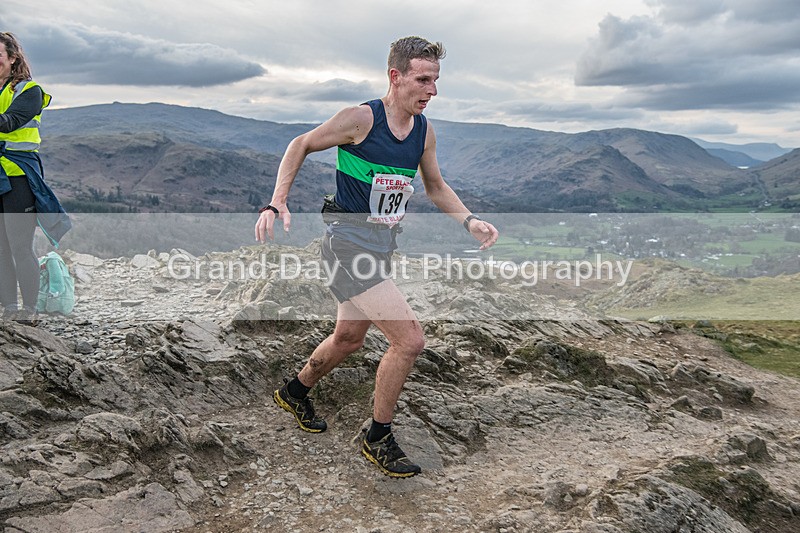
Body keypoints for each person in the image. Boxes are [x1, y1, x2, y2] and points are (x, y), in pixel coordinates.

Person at [255, 36, 498, 478]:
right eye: (423, 79)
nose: (432, 90)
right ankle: (378, 436)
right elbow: (300, 143)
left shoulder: (423, 132)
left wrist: (470, 221)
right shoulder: (361, 119)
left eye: (436, 81)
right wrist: (278, 201)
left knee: (348, 338)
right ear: (396, 76)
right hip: (347, 247)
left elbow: (435, 186)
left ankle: (294, 391)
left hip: (380, 247)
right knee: (409, 341)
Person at [0, 32, 70, 326]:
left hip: (18, 179)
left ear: (12, 58)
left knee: (19, 246)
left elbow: (9, 122)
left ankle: (29, 309)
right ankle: (8, 308)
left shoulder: (30, 91)